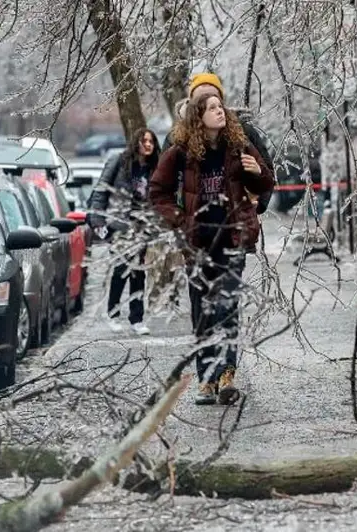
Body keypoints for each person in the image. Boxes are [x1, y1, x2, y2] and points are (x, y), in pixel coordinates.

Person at [149, 93, 275, 405]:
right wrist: (179, 219)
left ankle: (226, 374)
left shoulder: (239, 145)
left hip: (233, 238)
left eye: (221, 107)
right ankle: (206, 378)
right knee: (203, 311)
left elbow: (266, 183)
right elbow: (157, 190)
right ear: (198, 116)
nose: (221, 112)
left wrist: (256, 174)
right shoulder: (180, 151)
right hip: (198, 243)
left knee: (227, 305)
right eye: (213, 108)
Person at [162, 72, 275, 215]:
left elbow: (266, 170)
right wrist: (174, 215)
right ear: (191, 102)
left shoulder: (242, 132)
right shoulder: (176, 138)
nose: (207, 100)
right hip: (194, 226)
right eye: (201, 98)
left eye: (212, 96)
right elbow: (162, 184)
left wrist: (258, 205)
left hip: (236, 224)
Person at [89, 128, 161, 335]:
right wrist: (98, 220)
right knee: (121, 269)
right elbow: (101, 190)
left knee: (139, 272)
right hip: (120, 224)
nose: (148, 145)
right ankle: (113, 313)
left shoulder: (155, 168)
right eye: (144, 140)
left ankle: (137, 318)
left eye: (151, 141)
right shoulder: (119, 161)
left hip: (143, 226)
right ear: (135, 142)